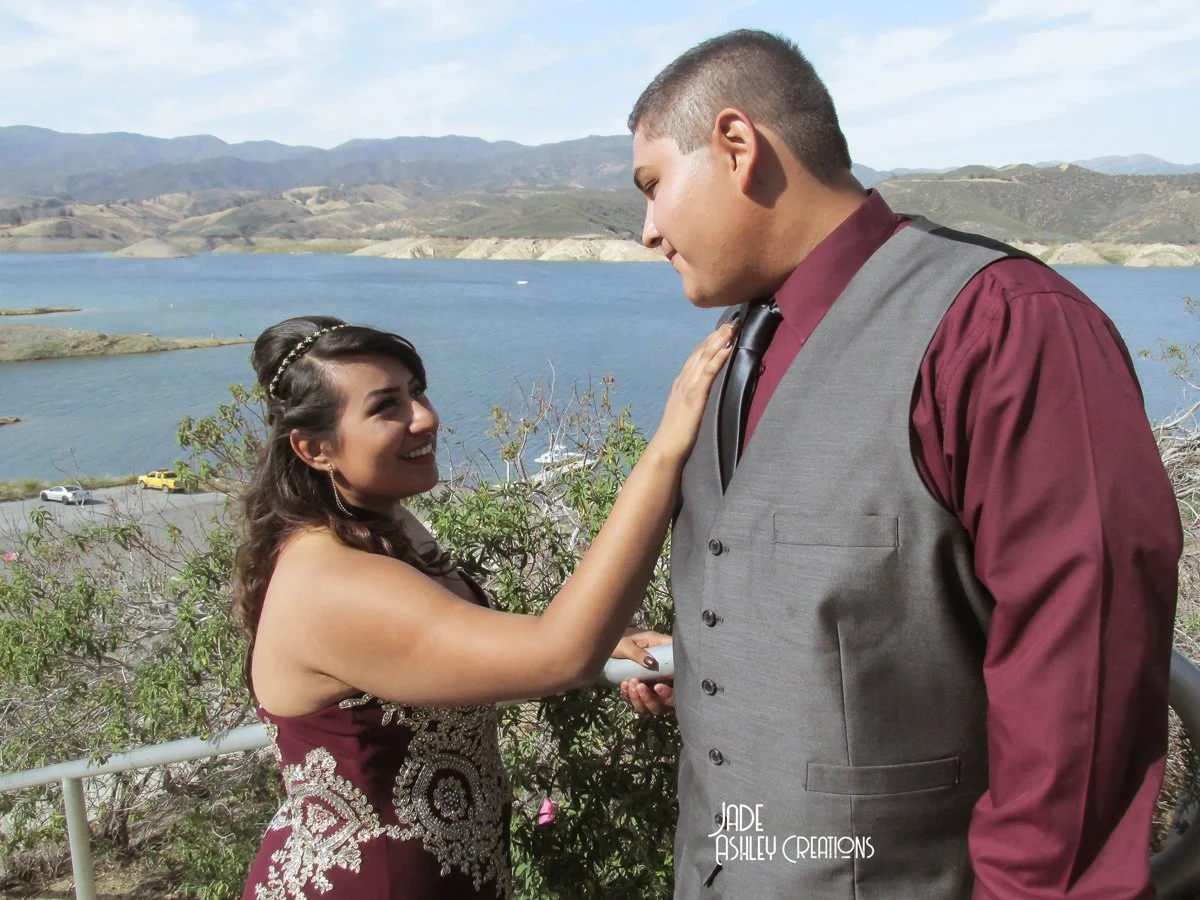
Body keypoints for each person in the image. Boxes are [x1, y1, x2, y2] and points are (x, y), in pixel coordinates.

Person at [618, 29, 1182, 899]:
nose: (647, 230)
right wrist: (708, 659)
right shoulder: (731, 354)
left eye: (653, 186)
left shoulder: (1001, 329)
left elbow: (1082, 686)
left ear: (737, 147)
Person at [235, 314, 733, 899]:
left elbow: (448, 636)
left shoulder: (381, 528)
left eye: (417, 391)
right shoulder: (331, 581)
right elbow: (559, 657)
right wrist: (666, 448)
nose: (425, 417)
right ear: (314, 448)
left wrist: (606, 641)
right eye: (385, 406)